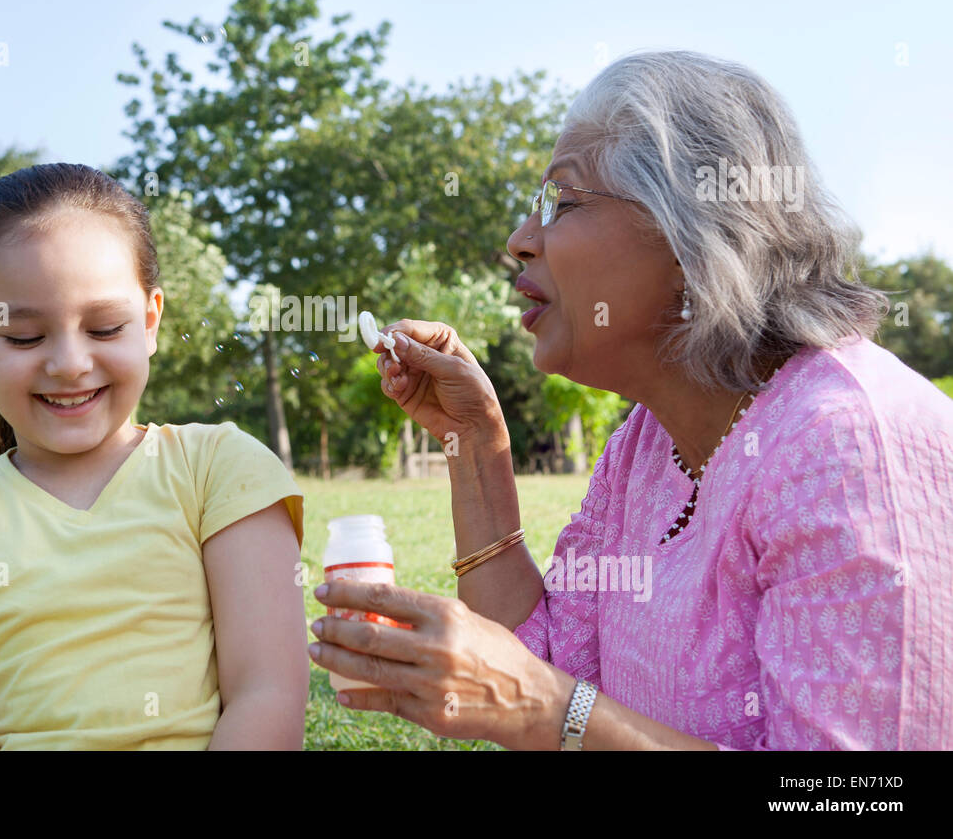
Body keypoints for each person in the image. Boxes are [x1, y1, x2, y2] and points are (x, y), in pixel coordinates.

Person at [306, 50, 953, 750]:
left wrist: (539, 708)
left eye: (565, 202)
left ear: (692, 237)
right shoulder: (646, 448)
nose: (520, 243)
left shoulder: (848, 445)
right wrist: (475, 443)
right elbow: (549, 662)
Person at [0, 164, 307, 749]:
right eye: (24, 337)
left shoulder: (219, 469)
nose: (68, 363)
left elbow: (268, 695)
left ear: (150, 321)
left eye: (106, 327)